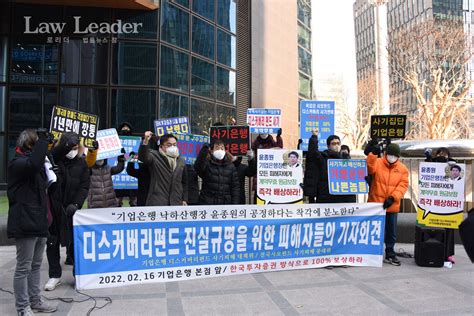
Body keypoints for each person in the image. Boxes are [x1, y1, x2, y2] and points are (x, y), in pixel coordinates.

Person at [7, 129, 57, 315]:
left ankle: (35, 300)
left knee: (36, 265)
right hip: (24, 221)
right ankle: (22, 307)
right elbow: (34, 164)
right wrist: (43, 144)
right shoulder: (18, 163)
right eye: (39, 143)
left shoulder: (36, 162)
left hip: (39, 221)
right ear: (30, 145)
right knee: (23, 267)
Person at [45, 132, 90, 291]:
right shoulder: (52, 159)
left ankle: (77, 274)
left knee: (74, 243)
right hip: (54, 208)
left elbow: (84, 186)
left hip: (72, 210)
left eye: (76, 148)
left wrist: (77, 204)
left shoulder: (81, 163)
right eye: (70, 148)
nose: (73, 151)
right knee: (52, 242)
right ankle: (54, 275)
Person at [365, 141, 409, 266]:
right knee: (374, 230)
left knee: (391, 232)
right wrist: (373, 154)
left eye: (395, 155)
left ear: (398, 157)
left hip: (391, 205)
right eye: (390, 154)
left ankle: (390, 252)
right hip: (375, 204)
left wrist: (393, 198)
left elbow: (403, 186)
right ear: (385, 154)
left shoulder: (403, 169)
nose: (392, 157)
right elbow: (369, 167)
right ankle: (372, 252)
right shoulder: (378, 163)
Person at [424, 147, 458, 263]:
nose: (443, 157)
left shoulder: (453, 166)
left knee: (449, 229)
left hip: (448, 204)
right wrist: (429, 158)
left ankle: (448, 254)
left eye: (445, 155)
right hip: (434, 203)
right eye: (440, 155)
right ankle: (432, 251)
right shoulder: (432, 163)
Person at [304, 129, 356, 203]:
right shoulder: (323, 157)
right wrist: (314, 137)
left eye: (338, 143)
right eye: (333, 143)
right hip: (326, 197)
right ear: (328, 146)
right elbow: (312, 153)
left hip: (343, 197)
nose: (336, 145)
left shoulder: (345, 159)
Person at [138, 132, 188, 206]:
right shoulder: (154, 156)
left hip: (176, 202)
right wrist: (145, 141)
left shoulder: (181, 160)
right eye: (169, 145)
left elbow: (184, 182)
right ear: (161, 146)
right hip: (158, 201)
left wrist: (184, 199)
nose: (173, 147)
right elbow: (143, 157)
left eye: (174, 145)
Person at [194, 139, 240, 205]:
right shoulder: (207, 164)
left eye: (222, 148)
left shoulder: (231, 166)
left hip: (225, 204)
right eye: (217, 148)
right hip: (208, 203)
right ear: (212, 151)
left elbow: (235, 187)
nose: (220, 150)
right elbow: (198, 167)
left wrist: (235, 204)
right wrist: (205, 149)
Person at [115, 122, 137, 207]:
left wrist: (125, 157)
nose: (125, 129)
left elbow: (136, 156)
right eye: (123, 128)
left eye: (127, 128)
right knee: (117, 200)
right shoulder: (116, 142)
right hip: (118, 174)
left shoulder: (135, 142)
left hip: (131, 174)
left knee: (134, 201)